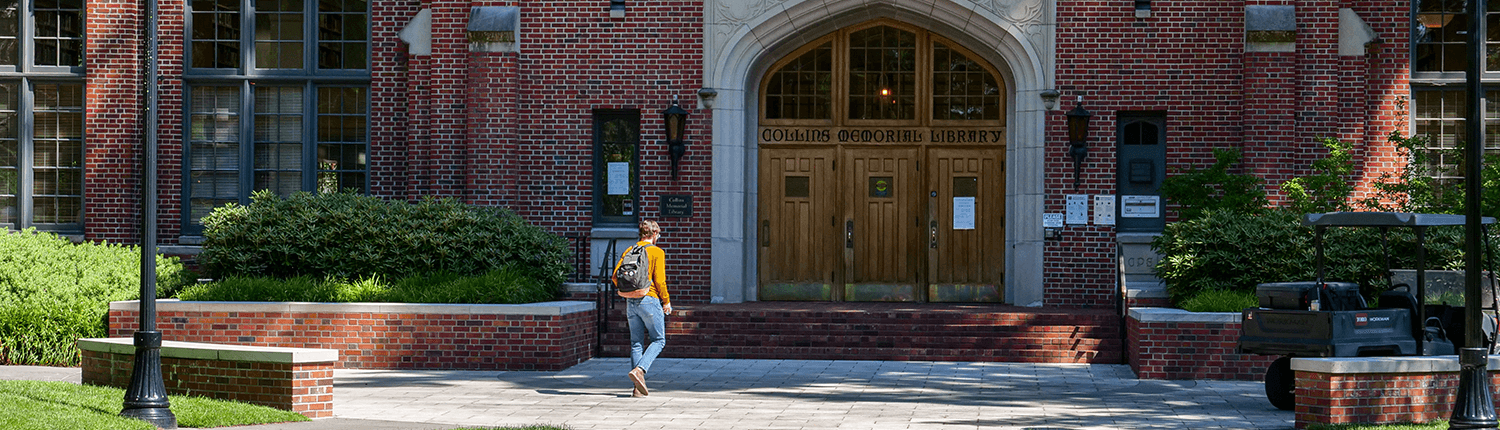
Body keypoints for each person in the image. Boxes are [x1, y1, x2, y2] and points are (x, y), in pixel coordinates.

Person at [613, 219, 671, 397]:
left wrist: (628, 291)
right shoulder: (657, 252)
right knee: (659, 340)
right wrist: (666, 301)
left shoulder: (629, 250)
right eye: (658, 235)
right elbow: (660, 280)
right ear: (653, 234)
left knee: (636, 344)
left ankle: (637, 389)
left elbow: (615, 276)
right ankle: (640, 370)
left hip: (631, 301)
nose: (658, 238)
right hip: (649, 299)